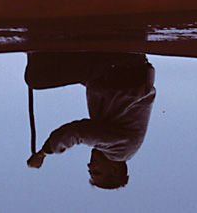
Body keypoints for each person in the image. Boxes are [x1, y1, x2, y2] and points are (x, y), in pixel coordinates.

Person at [24, 51, 156, 189]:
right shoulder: (119, 151)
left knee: (56, 69)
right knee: (36, 79)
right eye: (96, 171)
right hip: (119, 66)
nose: (89, 165)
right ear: (114, 170)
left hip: (119, 70)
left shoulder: (125, 148)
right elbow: (78, 133)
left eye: (90, 171)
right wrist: (44, 153)